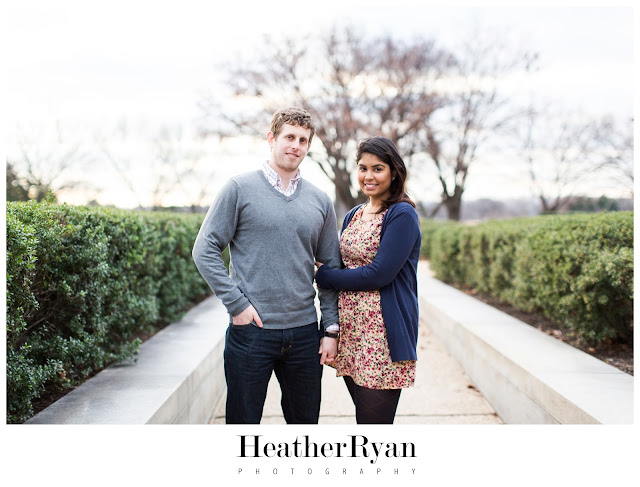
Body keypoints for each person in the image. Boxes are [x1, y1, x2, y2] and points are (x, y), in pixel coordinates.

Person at [192, 107, 341, 424]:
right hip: (251, 333)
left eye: (303, 140)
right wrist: (236, 304)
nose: (295, 146)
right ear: (272, 138)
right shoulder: (239, 189)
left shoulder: (319, 200)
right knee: (243, 426)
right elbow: (204, 249)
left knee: (304, 428)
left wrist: (330, 328)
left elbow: (330, 268)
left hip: (304, 334)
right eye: (289, 137)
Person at [314, 136, 421, 424]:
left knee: (374, 425)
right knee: (364, 418)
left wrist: (325, 276)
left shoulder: (402, 214)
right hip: (353, 333)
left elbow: (380, 274)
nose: (368, 176)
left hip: (382, 336)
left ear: (394, 171)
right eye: (363, 168)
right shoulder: (353, 215)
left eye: (378, 168)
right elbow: (344, 262)